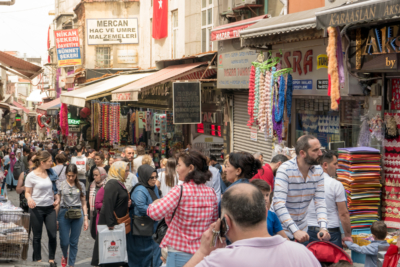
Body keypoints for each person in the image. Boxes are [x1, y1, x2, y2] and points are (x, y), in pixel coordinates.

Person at [184, 183, 321, 267]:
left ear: (227, 222)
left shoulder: (219, 260)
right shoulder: (302, 253)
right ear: (266, 213)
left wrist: (202, 252)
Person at [147, 150, 218, 267]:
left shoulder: (179, 190)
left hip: (179, 252)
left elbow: (154, 213)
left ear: (190, 168)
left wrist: (154, 203)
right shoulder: (211, 192)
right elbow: (213, 222)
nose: (177, 169)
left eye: (179, 165)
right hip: (202, 253)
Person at [273, 135, 329, 243]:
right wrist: (295, 231)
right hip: (280, 231)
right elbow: (278, 204)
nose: (321, 153)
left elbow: (320, 202)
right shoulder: (285, 170)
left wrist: (323, 227)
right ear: (302, 153)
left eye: (320, 149)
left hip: (303, 230)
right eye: (315, 150)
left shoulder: (318, 171)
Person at [306, 150, 352, 248]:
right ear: (325, 165)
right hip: (331, 233)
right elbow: (343, 214)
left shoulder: (306, 181)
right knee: (333, 263)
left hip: (308, 231)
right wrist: (348, 236)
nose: (337, 167)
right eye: (335, 164)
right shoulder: (336, 184)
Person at [91, 161, 131, 267]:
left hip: (116, 223)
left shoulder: (119, 182)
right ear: (118, 171)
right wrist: (110, 224)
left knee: (113, 256)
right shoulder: (112, 183)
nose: (128, 173)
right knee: (108, 255)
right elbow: (108, 204)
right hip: (111, 224)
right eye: (126, 171)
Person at [25, 151, 59, 266]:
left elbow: (54, 190)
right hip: (36, 208)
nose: (51, 163)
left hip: (50, 208)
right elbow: (27, 192)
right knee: (37, 236)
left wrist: (57, 198)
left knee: (53, 234)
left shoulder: (51, 173)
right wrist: (29, 199)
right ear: (42, 162)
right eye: (49, 161)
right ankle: (38, 261)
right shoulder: (31, 176)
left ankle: (51, 259)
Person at [56, 164, 89, 267]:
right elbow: (58, 202)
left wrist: (86, 218)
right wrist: (56, 218)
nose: (70, 178)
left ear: (76, 175)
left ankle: (71, 264)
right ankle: (64, 254)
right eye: (69, 175)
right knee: (64, 241)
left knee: (74, 242)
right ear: (66, 174)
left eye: (73, 176)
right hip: (64, 213)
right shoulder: (61, 185)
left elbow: (84, 203)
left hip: (77, 214)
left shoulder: (81, 185)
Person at [129, 165, 162, 267]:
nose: (154, 180)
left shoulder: (153, 187)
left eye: (155, 177)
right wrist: (156, 209)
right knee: (142, 254)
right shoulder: (140, 190)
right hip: (142, 227)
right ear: (144, 177)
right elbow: (141, 207)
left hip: (151, 225)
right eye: (151, 177)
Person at [88, 167, 107, 239]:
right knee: (95, 235)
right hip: (94, 214)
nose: (94, 177)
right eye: (93, 175)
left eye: (96, 175)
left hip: (103, 214)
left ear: (102, 175)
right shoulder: (92, 185)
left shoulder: (107, 185)